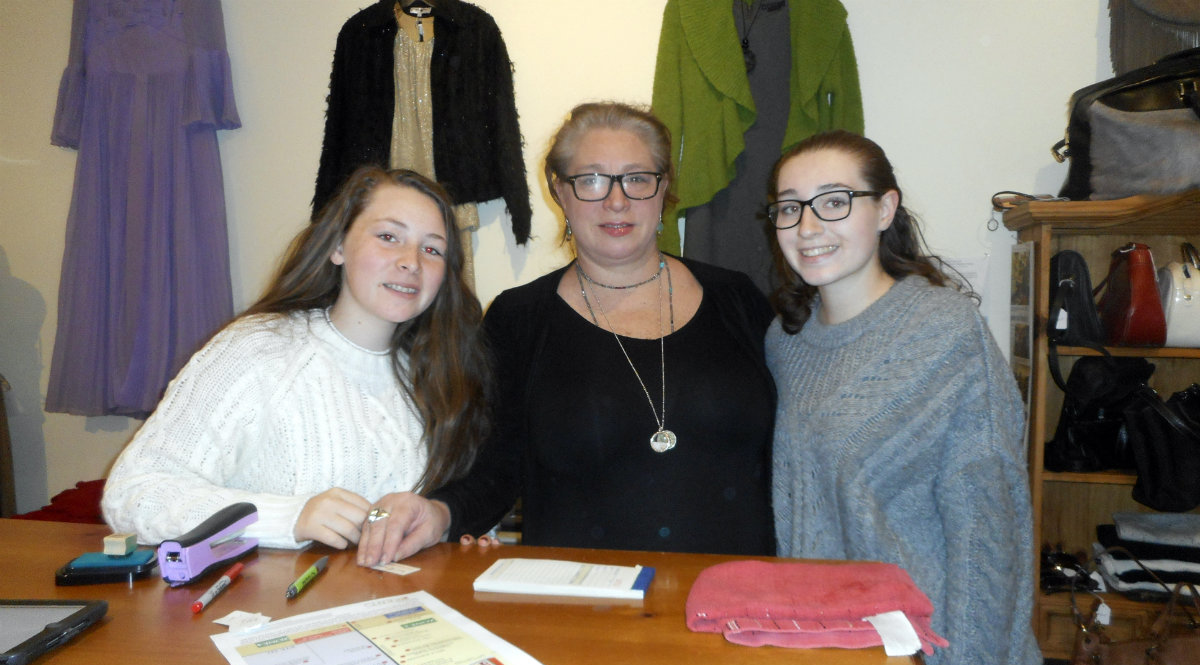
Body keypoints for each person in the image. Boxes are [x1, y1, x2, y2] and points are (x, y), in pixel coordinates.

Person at [355, 102, 777, 566]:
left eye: (637, 178)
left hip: (739, 605)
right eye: (591, 180)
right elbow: (494, 469)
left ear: (663, 190)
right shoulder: (518, 319)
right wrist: (439, 512)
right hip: (578, 609)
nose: (616, 201)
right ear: (560, 191)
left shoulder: (737, 299)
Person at [763, 130, 1041, 665]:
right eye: (790, 207)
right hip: (827, 650)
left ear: (885, 208)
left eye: (835, 201)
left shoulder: (943, 331)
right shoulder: (784, 340)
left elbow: (991, 530)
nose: (808, 227)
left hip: (933, 657)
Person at [102, 167, 490, 550]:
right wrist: (291, 517)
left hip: (386, 605)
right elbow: (133, 493)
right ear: (338, 247)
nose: (412, 262)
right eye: (389, 236)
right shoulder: (257, 348)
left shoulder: (442, 375)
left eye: (432, 249)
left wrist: (444, 529)